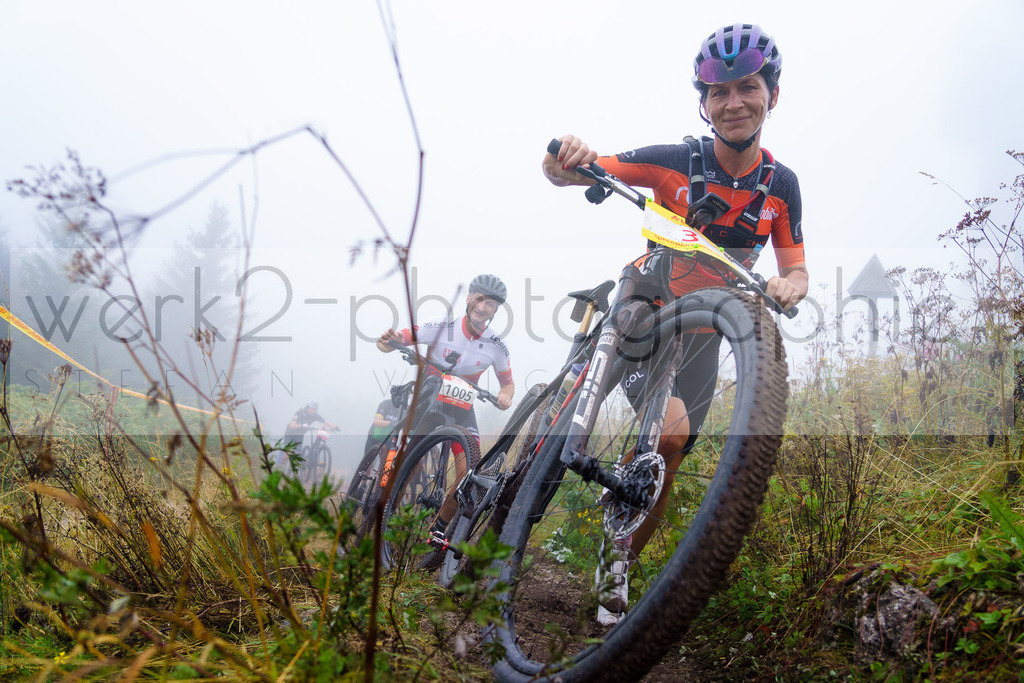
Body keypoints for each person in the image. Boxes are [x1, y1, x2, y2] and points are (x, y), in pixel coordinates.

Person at [543, 23, 807, 624]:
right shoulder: (675, 160)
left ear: (772, 95)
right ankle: (516, 504)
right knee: (580, 428)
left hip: (706, 340)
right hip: (643, 314)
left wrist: (788, 287)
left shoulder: (780, 187)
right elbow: (571, 171)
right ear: (703, 101)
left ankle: (618, 564)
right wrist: (566, 157)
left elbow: (795, 269)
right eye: (719, 92)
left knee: (669, 451)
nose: (733, 102)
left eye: (747, 88)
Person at [376, 273, 515, 553]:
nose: (483, 307)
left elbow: (508, 384)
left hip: (462, 407)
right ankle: (385, 519)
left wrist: (505, 398)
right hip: (428, 400)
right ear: (468, 298)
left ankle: (439, 528)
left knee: (469, 474)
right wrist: (387, 342)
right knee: (408, 462)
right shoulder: (441, 325)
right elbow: (395, 340)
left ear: (496, 310)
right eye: (479, 298)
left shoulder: (497, 347)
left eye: (491, 304)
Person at [276, 400, 338, 471]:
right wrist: (301, 425)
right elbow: (292, 425)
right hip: (290, 434)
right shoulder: (299, 413)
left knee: (296, 454)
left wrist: (334, 427)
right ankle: (280, 466)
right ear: (307, 407)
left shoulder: (315, 415)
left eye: (315, 410)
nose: (313, 411)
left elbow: (325, 422)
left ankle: (291, 472)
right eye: (312, 409)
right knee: (288, 453)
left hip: (299, 435)